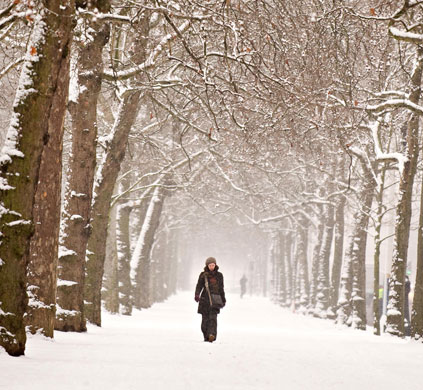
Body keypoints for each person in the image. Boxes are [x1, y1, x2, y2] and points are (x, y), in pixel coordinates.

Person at [194, 257, 226, 342]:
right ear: (207, 265)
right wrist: (197, 294)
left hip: (215, 300)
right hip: (205, 300)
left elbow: (221, 288)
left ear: (215, 265)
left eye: (213, 265)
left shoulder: (219, 275)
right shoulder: (203, 275)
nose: (212, 266)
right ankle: (206, 335)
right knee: (205, 320)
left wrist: (223, 299)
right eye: (210, 265)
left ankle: (212, 335)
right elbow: (199, 286)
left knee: (213, 319)